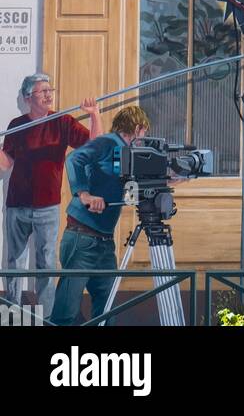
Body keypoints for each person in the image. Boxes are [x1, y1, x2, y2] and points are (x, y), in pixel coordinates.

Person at [0, 73, 101, 310]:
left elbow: (94, 146)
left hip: (47, 207)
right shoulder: (17, 125)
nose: (48, 94)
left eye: (49, 90)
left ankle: (45, 314)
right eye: (42, 91)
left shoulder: (62, 122)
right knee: (14, 261)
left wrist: (94, 114)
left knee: (46, 263)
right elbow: (5, 163)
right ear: (28, 98)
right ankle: (13, 309)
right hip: (17, 205)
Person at [50, 104, 150, 327]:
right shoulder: (107, 142)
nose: (144, 137)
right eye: (144, 132)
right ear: (136, 127)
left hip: (104, 242)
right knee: (65, 314)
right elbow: (74, 159)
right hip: (82, 238)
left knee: (105, 312)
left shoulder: (127, 154)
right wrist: (84, 194)